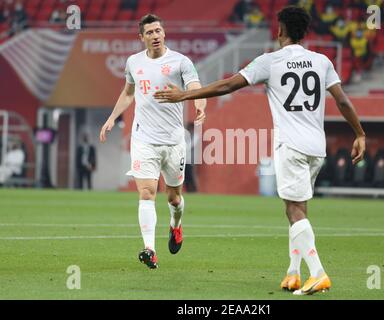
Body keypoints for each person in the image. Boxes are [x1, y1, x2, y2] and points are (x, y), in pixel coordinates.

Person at [154, 6, 366, 295]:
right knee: (297, 207)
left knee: (294, 209)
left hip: (290, 145)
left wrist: (185, 94)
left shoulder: (270, 62)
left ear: (280, 31)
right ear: (305, 32)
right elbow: (342, 101)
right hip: (317, 147)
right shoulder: (322, 61)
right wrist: (360, 133)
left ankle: (318, 273)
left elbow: (228, 85)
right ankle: (293, 272)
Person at [99, 14, 206, 269]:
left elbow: (196, 86)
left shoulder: (181, 62)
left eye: (158, 30)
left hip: (173, 141)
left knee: (174, 198)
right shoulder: (133, 62)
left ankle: (176, 225)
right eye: (150, 32)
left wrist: (200, 106)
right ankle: (150, 249)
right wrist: (112, 118)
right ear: (142, 38)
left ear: (164, 33)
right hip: (143, 139)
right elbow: (128, 93)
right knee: (147, 192)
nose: (155, 35)